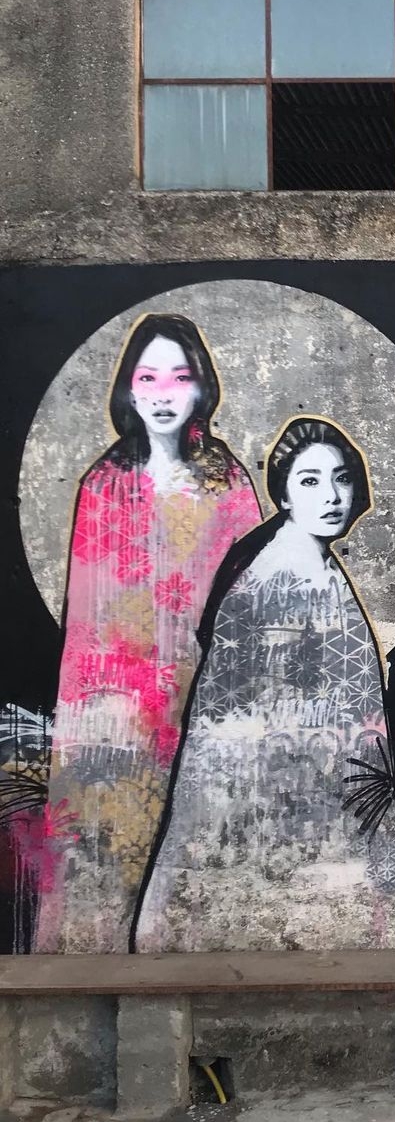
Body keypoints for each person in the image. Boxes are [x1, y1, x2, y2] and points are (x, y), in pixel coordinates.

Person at [132, 417, 395, 952]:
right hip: (277, 806)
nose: (331, 496)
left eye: (341, 478)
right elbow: (238, 719)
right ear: (283, 495)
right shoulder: (277, 576)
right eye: (310, 481)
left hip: (324, 799)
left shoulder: (313, 564)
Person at [34, 314, 262, 953]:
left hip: (204, 699)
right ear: (129, 391)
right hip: (114, 710)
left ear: (202, 389)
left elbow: (245, 605)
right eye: (148, 377)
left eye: (180, 377)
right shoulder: (103, 484)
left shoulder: (227, 481)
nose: (164, 393)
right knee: (105, 860)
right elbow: (84, 625)